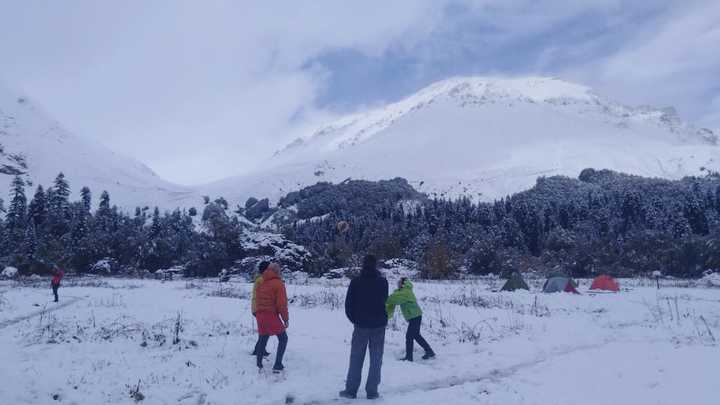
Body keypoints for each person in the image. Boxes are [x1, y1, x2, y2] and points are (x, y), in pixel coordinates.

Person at [339, 255, 388, 400]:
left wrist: (355, 319)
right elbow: (385, 300)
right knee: (376, 359)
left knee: (356, 358)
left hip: (361, 325)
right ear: (375, 265)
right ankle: (372, 391)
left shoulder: (356, 282)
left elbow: (348, 304)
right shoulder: (383, 282)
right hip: (379, 325)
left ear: (363, 264)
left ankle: (351, 390)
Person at [386, 277, 435, 361]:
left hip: (415, 317)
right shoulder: (404, 292)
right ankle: (429, 351)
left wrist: (383, 298)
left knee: (409, 336)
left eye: (399, 282)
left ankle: (409, 357)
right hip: (415, 316)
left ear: (403, 283)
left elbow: (394, 299)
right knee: (416, 335)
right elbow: (396, 297)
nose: (397, 283)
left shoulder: (406, 292)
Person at [254, 262, 289, 372]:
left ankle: (259, 363)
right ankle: (278, 364)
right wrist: (285, 319)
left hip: (260, 314)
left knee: (263, 337)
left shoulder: (261, 282)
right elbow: (281, 304)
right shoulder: (278, 284)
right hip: (271, 314)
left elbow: (257, 298)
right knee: (283, 338)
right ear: (277, 271)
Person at [251, 261, 271, 358]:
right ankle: (259, 350)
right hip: (260, 308)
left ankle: (260, 349)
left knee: (265, 330)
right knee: (265, 331)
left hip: (257, 308)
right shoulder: (262, 280)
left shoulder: (260, 279)